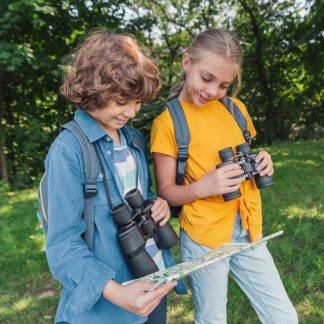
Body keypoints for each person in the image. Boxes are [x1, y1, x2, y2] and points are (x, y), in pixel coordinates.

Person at [150, 28, 298, 324]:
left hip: (248, 228)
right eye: (207, 78)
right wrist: (205, 187)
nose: (213, 91)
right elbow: (166, 192)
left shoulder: (235, 109)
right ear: (186, 63)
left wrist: (261, 161)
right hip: (204, 237)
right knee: (212, 319)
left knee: (284, 317)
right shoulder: (167, 123)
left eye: (224, 85)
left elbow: (244, 157)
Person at [44, 29, 176, 324]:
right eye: (121, 102)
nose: (131, 112)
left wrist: (159, 205)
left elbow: (141, 195)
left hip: (154, 282)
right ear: (93, 90)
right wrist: (116, 292)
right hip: (109, 306)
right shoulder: (68, 152)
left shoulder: (133, 140)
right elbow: (62, 245)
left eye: (138, 102)